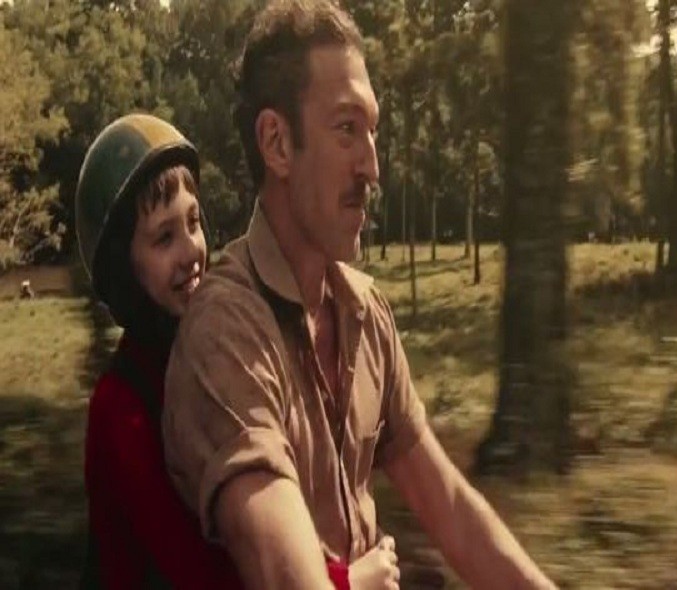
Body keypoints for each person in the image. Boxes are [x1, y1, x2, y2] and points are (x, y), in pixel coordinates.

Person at [162, 2, 558, 589]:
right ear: (276, 143)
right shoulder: (227, 332)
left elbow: (450, 508)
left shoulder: (366, 314)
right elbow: (287, 577)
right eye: (347, 129)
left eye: (373, 131)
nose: (372, 166)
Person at [75, 113, 396, 590]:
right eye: (164, 238)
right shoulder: (122, 408)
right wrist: (344, 581)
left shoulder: (220, 353)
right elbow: (202, 567)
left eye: (193, 223)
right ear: (124, 271)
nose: (191, 251)